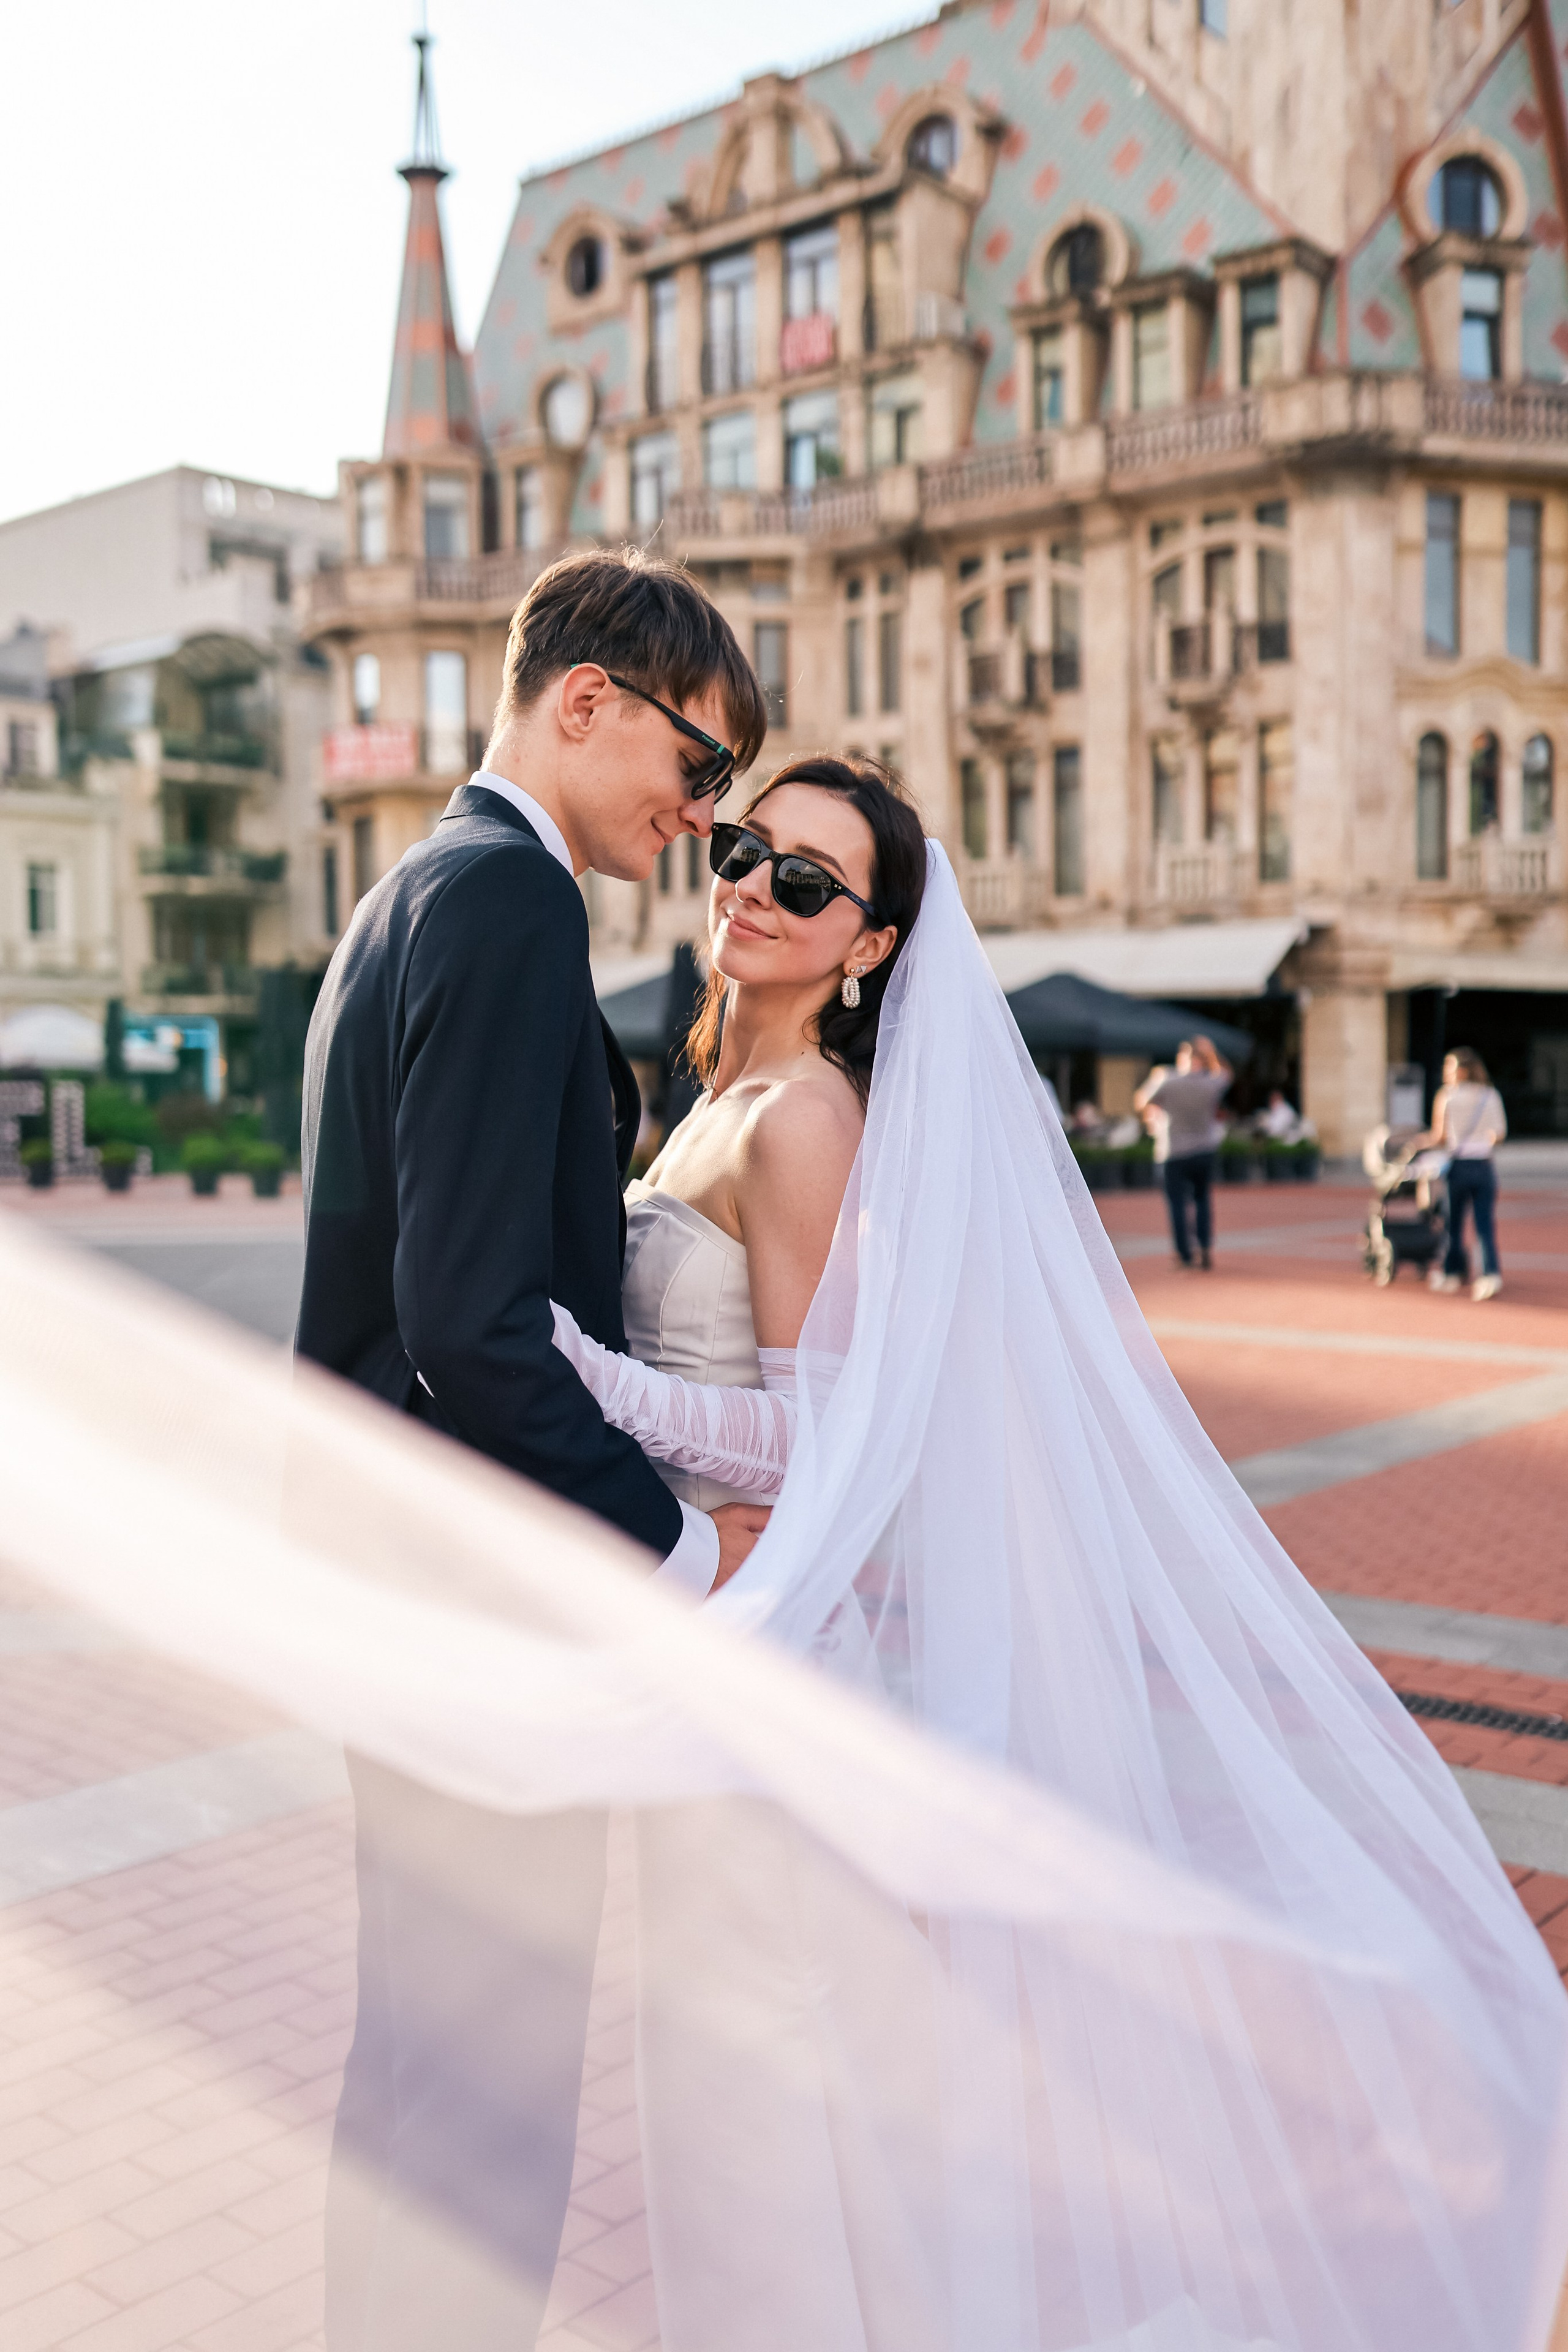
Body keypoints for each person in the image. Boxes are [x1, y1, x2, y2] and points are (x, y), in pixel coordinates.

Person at [539, 758, 1567, 2349]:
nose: (750, 886)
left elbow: (836, 1437)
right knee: (770, 2072)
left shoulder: (805, 1114)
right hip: (714, 1634)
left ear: (869, 945)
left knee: (773, 2081)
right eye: (745, 850)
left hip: (772, 1644)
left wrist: (587, 1380)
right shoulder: (715, 1096)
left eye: (805, 881)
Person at [296, 547, 770, 2352]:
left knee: (418, 2081)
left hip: (384, 1588)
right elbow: (473, 1321)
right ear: (587, 697)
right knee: (486, 2105)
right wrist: (675, 1549)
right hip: (476, 1604)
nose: (698, 812)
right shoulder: (506, 906)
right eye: (698, 763)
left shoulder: (412, 895)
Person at [1133, 1035, 1232, 1268]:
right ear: (1201, 1060)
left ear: (1181, 1059)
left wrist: (1153, 1111)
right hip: (1204, 1150)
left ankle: (1184, 1255)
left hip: (1173, 1151)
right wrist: (1213, 1052)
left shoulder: (1167, 1079)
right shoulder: (1209, 1082)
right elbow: (1227, 1074)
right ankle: (1205, 1246)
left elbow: (1140, 1100)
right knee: (1202, 1200)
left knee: (1177, 1204)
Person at [1420, 1046, 1508, 1300]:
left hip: (1459, 1166)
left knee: (1454, 1225)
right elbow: (1499, 1134)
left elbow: (1440, 1137)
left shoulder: (1447, 1096)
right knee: (1484, 1226)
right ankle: (1490, 1274)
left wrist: (1419, 1142)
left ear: (1460, 1071)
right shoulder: (1489, 1095)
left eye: (1449, 1067)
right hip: (1483, 1165)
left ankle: (1453, 1272)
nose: (1445, 1072)